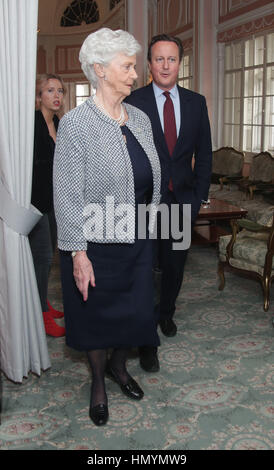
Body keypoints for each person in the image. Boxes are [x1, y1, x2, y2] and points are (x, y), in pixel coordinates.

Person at [53, 28, 161, 426]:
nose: (136, 74)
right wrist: (78, 254)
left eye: (134, 66)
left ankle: (120, 367)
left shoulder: (142, 120)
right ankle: (98, 382)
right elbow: (65, 195)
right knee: (96, 320)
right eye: (128, 66)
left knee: (133, 316)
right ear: (100, 70)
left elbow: (151, 177)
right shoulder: (76, 125)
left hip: (136, 240)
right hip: (94, 246)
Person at [126, 34, 212, 372]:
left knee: (174, 267)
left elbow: (204, 155)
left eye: (171, 59)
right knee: (146, 268)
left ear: (179, 63)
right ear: (149, 64)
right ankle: (147, 337)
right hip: (147, 203)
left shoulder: (196, 102)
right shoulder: (134, 101)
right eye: (158, 59)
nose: (165, 65)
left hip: (181, 202)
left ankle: (167, 314)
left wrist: (198, 198)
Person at [29, 74, 66, 337]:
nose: (56, 95)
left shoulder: (60, 124)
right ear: (39, 96)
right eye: (50, 90)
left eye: (60, 91)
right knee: (41, 259)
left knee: (49, 256)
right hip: (35, 202)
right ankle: (40, 315)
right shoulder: (31, 124)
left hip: (55, 202)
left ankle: (43, 303)